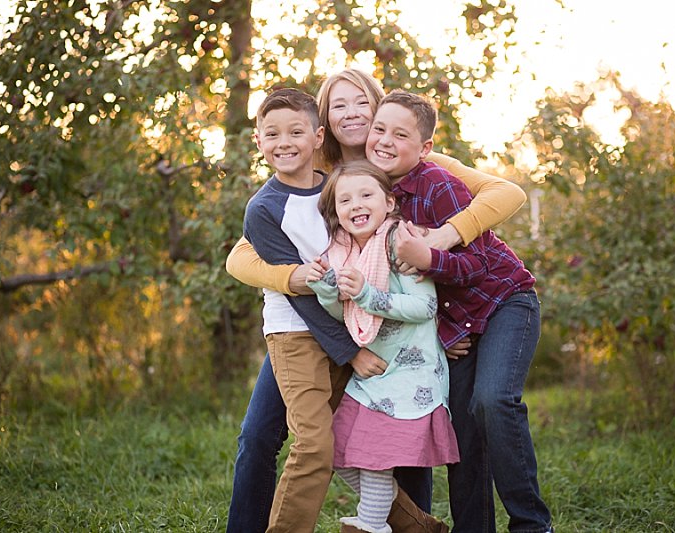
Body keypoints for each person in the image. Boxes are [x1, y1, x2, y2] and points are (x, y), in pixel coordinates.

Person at [225, 69, 528, 533]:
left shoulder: (412, 159)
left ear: (378, 106)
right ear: (324, 119)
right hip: (311, 320)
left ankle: (414, 526)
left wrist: (443, 240)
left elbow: (506, 192)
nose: (352, 114)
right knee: (262, 433)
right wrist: (294, 277)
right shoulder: (314, 170)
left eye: (361, 103)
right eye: (338, 104)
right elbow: (241, 254)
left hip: (392, 323)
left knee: (404, 429)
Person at [237, 86, 448, 533]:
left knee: (352, 442)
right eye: (272, 134)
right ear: (257, 142)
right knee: (311, 445)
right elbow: (292, 287)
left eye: (296, 131)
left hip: (354, 328)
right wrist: (349, 350)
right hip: (299, 332)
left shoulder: (340, 188)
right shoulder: (263, 209)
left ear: (318, 137)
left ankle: (416, 526)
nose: (285, 142)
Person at [366, 89, 554, 533]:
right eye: (379, 129)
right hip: (457, 326)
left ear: (426, 147)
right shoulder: (373, 195)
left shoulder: (439, 184)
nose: (385, 140)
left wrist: (430, 255)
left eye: (400, 134)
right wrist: (440, 330)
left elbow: (478, 265)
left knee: (492, 401)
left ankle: (531, 525)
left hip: (507, 301)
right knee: (461, 429)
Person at [307, 160, 459, 533]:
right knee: (337, 452)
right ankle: (417, 525)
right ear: (335, 212)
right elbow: (346, 311)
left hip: (408, 376)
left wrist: (367, 293)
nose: (355, 204)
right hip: (374, 375)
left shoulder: (400, 242)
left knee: (373, 462)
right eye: (345, 200)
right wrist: (327, 286)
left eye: (365, 195)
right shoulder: (343, 251)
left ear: (389, 203)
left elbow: (425, 307)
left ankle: (371, 525)